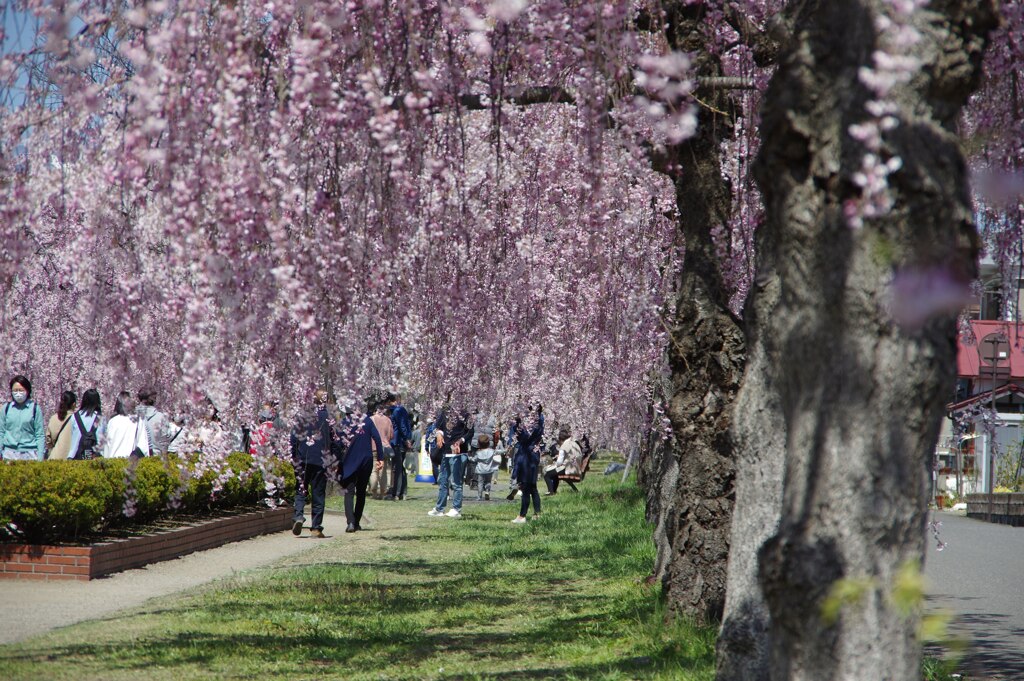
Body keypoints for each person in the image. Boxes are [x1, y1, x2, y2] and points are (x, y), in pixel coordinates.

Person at [289, 390, 337, 539]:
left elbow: (293, 438)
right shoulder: (329, 417)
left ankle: (298, 516)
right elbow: (335, 440)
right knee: (318, 493)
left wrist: (294, 456)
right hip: (321, 460)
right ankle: (316, 528)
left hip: (303, 458)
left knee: (301, 489)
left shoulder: (302, 415)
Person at [337, 410, 384, 533]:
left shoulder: (343, 423)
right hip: (366, 460)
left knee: (349, 492)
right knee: (361, 491)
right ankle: (357, 521)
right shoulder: (367, 420)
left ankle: (350, 522)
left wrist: (336, 460)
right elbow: (377, 438)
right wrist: (380, 457)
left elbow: (337, 442)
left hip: (349, 460)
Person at [428, 409, 470, 518]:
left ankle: (456, 509)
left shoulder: (465, 413)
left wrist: (460, 441)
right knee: (442, 481)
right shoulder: (445, 411)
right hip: (445, 451)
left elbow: (470, 432)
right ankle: (439, 508)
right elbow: (439, 428)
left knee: (456, 482)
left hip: (459, 452)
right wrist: (439, 434)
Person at [511, 404, 544, 524]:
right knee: (532, 487)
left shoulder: (533, 424)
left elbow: (523, 437)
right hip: (532, 455)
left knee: (526, 487)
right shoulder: (539, 421)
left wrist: (517, 425)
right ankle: (537, 513)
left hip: (527, 457)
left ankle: (522, 515)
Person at [1, 375, 46, 461]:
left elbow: (40, 434)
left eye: (21, 390)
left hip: (29, 454)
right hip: (9, 453)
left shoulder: (35, 409)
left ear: (27, 391)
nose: (18, 393)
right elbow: (1, 432)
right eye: (15, 390)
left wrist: (40, 457)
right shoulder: (6, 408)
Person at [103, 391, 151, 459]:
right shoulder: (137, 420)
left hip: (113, 460)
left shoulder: (112, 421)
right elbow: (143, 445)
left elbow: (107, 446)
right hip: (129, 460)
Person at [384, 393, 413, 501]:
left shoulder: (397, 411)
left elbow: (402, 426)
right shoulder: (400, 410)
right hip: (398, 441)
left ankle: (396, 492)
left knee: (397, 467)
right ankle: (402, 492)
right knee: (400, 467)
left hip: (397, 441)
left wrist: (406, 439)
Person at [68, 388, 104, 460]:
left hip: (75, 456)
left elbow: (71, 437)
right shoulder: (100, 418)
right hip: (94, 458)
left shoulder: (74, 417)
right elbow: (101, 441)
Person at [546, 427, 583, 494]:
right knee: (554, 473)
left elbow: (559, 462)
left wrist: (555, 463)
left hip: (568, 469)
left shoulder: (564, 446)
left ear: (560, 439)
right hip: (576, 468)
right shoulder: (574, 443)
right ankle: (553, 491)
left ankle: (550, 491)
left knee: (547, 474)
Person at [369, 400, 394, 499]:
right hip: (385, 447)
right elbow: (391, 435)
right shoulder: (388, 420)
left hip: (373, 447)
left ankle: (374, 491)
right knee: (383, 471)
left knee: (374, 470)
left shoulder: (371, 419)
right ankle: (383, 492)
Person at [45, 390, 77, 460]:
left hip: (54, 457)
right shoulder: (77, 420)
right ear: (74, 404)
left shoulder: (53, 418)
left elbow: (48, 440)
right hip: (70, 459)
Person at [138, 389, 170, 456]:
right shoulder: (161, 417)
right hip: (155, 456)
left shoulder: (131, 416)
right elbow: (164, 440)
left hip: (135, 455)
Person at [472, 434, 500, 500]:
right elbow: (498, 452)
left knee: (480, 483)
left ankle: (479, 496)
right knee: (488, 481)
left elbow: (474, 459)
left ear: (479, 444)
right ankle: (487, 491)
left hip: (480, 470)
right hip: (489, 469)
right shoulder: (491, 451)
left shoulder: (478, 452)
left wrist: (469, 457)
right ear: (488, 443)